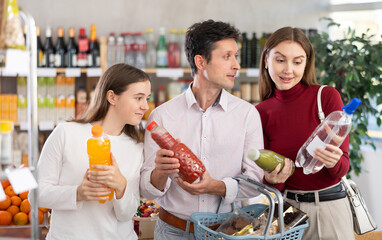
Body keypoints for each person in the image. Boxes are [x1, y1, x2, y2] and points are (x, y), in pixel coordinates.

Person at [140, 19, 264, 240]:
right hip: (172, 232)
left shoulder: (247, 115)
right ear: (201, 61)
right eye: (227, 57)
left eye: (236, 56)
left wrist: (215, 187)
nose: (236, 65)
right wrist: (159, 173)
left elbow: (255, 182)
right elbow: (147, 191)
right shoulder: (162, 117)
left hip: (226, 232)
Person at [255, 27, 354, 240]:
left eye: (297, 62)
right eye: (280, 60)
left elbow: (342, 168)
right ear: (266, 60)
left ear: (306, 63)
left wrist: (333, 160)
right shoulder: (261, 112)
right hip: (285, 212)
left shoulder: (326, 96)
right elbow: (270, 182)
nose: (288, 70)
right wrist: (273, 180)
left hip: (327, 210)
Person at [37, 63, 151, 240]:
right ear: (112, 97)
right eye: (138, 98)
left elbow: (126, 214)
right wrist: (78, 193)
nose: (145, 106)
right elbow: (36, 194)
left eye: (147, 98)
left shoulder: (135, 146)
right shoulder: (67, 132)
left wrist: (121, 187)